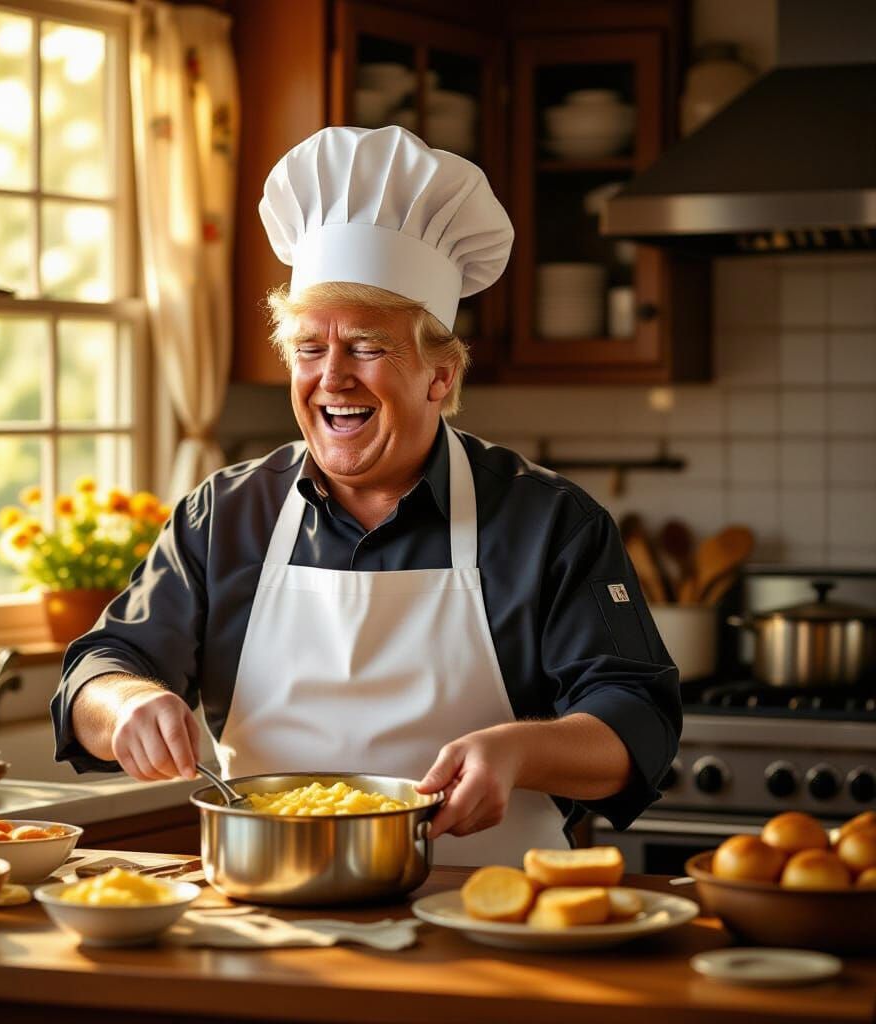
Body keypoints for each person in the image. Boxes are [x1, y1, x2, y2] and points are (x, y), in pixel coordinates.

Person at [51, 125, 680, 866]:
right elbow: (99, 667)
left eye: (369, 348)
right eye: (310, 349)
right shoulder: (227, 515)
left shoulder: (548, 523)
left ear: (440, 377)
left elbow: (636, 718)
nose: (333, 378)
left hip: (485, 911)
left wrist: (520, 751)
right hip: (266, 908)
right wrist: (128, 705)